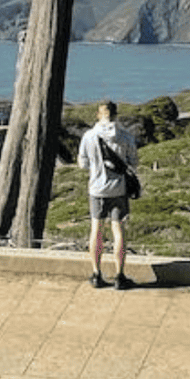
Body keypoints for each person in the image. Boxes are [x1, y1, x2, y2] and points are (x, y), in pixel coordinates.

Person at [77, 100, 138, 289]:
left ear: (98, 114)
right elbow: (133, 163)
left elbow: (83, 163)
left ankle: (96, 274)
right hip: (119, 190)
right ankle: (120, 276)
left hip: (97, 190)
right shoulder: (126, 137)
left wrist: (97, 168)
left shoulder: (89, 136)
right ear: (115, 114)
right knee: (118, 231)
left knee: (96, 230)